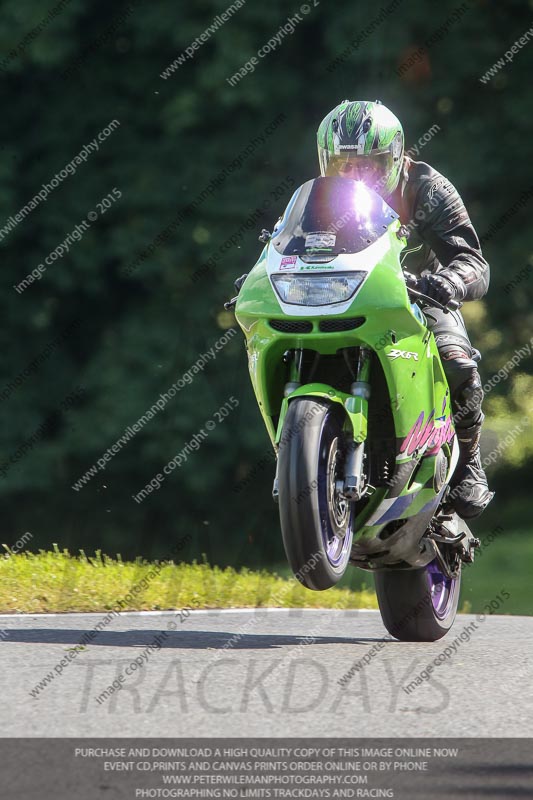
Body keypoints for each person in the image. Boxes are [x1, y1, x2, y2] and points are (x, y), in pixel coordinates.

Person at [316, 99, 493, 519]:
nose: (356, 175)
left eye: (371, 165)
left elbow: (474, 262)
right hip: (343, 294)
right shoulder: (318, 198)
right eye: (343, 165)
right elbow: (283, 243)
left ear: (397, 157)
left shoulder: (427, 188)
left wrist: (449, 281)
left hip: (418, 295)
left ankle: (469, 462)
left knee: (458, 364)